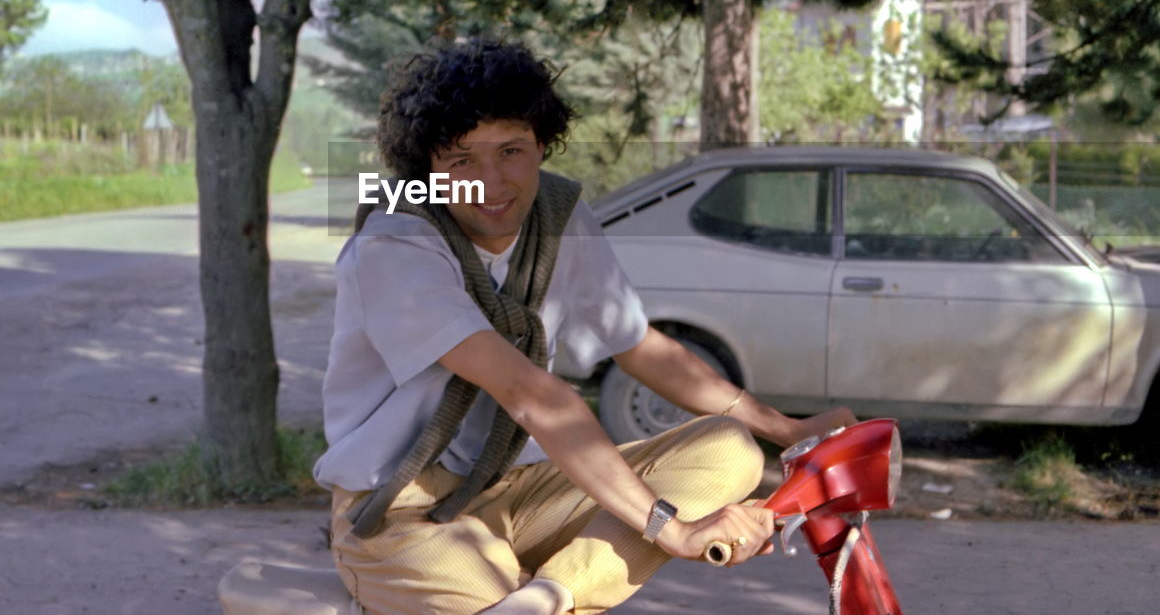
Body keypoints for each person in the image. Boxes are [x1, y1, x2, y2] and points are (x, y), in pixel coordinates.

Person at [312, 38, 856, 615]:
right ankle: (530, 599)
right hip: (400, 508)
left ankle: (549, 595)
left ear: (543, 145)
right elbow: (528, 393)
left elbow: (640, 346)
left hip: (518, 490)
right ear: (427, 165)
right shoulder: (395, 244)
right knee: (492, 584)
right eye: (462, 158)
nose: (492, 183)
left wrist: (787, 428)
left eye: (512, 152)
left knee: (730, 448)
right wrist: (671, 530)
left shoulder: (556, 215)